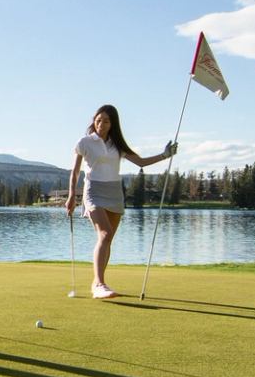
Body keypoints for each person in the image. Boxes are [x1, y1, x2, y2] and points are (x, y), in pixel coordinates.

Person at [65, 104, 176, 299]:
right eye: (98, 120)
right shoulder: (85, 142)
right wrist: (72, 195)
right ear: (94, 121)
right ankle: (100, 284)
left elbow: (140, 162)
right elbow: (74, 172)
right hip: (93, 191)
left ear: (112, 124)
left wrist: (165, 155)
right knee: (105, 235)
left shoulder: (117, 144)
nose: (101, 124)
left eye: (106, 121)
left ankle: (96, 282)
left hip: (115, 192)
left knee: (107, 240)